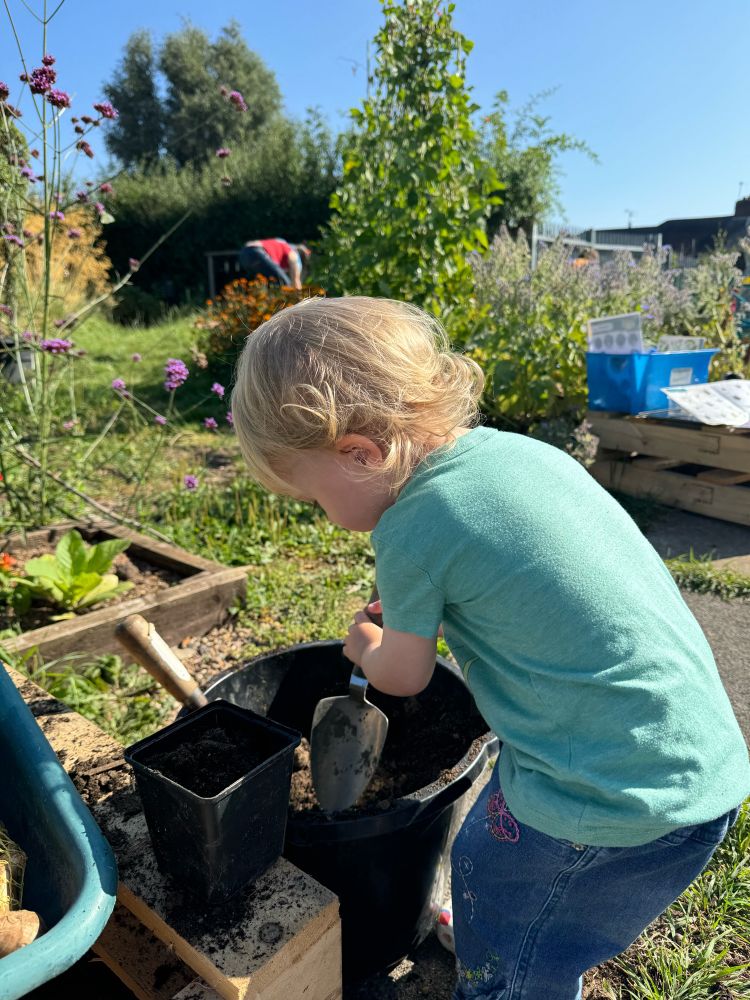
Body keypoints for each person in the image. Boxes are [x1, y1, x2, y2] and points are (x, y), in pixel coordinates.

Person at [230, 296, 749, 1000]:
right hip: (690, 758)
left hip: (606, 794)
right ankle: (506, 937)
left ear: (359, 453)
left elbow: (405, 676)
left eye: (313, 497)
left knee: (510, 908)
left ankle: (505, 973)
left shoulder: (411, 529)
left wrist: (363, 646)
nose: (324, 517)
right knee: (486, 859)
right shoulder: (520, 456)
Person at [238, 238, 311, 290]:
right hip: (257, 252)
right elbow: (296, 280)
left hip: (244, 254)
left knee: (260, 286)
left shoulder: (282, 244)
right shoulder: (294, 254)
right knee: (285, 283)